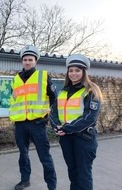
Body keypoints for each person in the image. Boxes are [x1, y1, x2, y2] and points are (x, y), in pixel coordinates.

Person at [49, 54, 103, 190]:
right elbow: (54, 112)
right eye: (71, 70)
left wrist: (66, 128)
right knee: (72, 173)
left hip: (84, 139)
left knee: (83, 175)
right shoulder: (63, 91)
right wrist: (56, 127)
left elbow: (89, 117)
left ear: (84, 72)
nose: (73, 73)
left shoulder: (91, 91)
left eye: (77, 70)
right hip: (66, 139)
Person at [9, 45, 57, 190]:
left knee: (44, 156)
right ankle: (25, 180)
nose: (27, 62)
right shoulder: (15, 79)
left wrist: (48, 116)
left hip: (37, 123)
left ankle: (51, 185)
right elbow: (13, 100)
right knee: (23, 155)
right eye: (25, 60)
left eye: (30, 59)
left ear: (35, 61)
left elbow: (54, 99)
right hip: (20, 124)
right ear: (22, 61)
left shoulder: (43, 76)